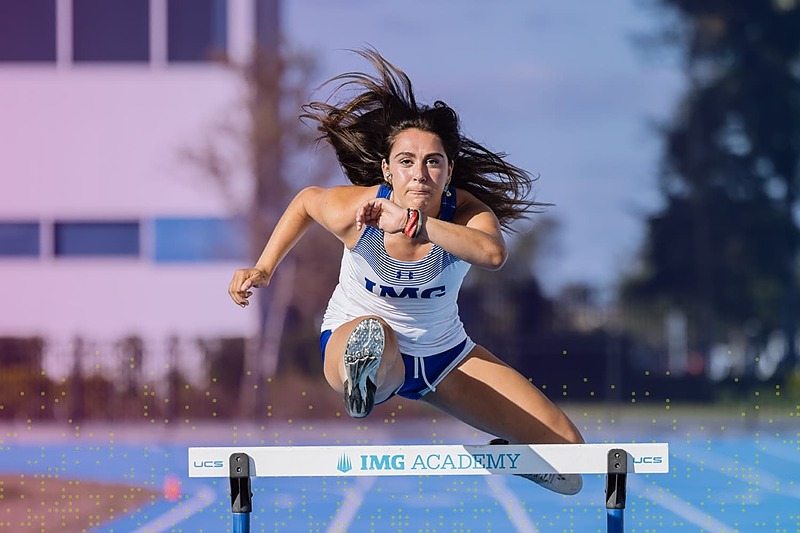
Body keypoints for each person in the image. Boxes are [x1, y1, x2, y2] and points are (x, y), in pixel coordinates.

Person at [228, 48, 584, 495]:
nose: (420, 174)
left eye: (433, 162)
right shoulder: (358, 209)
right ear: (387, 171)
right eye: (407, 162)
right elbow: (305, 201)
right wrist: (264, 267)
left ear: (449, 171)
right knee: (376, 335)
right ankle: (368, 383)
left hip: (444, 355)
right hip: (355, 336)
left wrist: (413, 223)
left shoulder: (468, 214)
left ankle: (502, 453)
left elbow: (492, 254)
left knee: (573, 463)